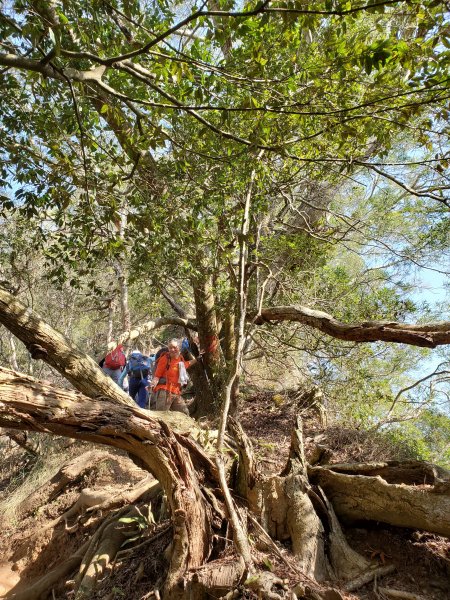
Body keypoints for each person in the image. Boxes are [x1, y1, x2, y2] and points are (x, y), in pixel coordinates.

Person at [149, 338, 202, 415]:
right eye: (170, 347)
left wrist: (197, 359)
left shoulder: (180, 358)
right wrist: (152, 384)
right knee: (162, 415)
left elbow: (185, 365)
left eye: (175, 347)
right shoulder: (164, 359)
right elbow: (157, 376)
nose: (172, 350)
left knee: (185, 413)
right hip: (164, 391)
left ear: (179, 348)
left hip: (176, 392)